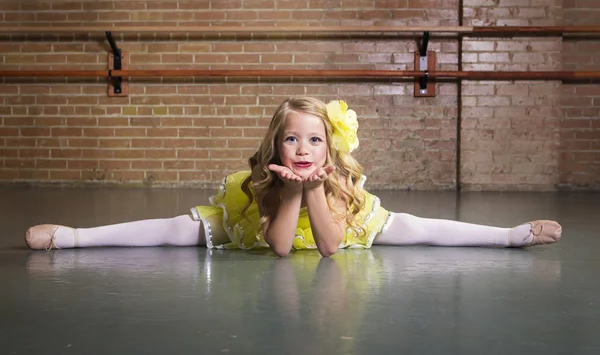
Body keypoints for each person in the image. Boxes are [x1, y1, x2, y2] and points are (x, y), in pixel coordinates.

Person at [25, 97, 562, 257]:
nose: (302, 149)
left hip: (330, 213)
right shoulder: (263, 182)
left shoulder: (336, 181)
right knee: (177, 228)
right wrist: (292, 192)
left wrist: (315, 193)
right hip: (269, 217)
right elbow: (280, 248)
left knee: (412, 226)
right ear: (274, 145)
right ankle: (74, 238)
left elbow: (330, 248)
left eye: (314, 140)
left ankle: (509, 236)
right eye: (291, 139)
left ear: (330, 147)